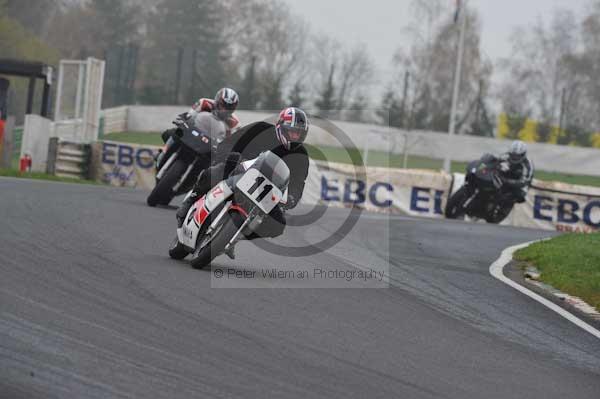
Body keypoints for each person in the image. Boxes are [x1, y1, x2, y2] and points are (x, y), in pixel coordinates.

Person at [176, 107, 310, 258]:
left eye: (299, 133)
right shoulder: (260, 129)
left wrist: (291, 198)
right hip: (238, 169)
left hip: (265, 191)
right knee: (213, 173)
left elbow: (298, 182)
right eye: (292, 131)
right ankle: (190, 201)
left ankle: (234, 237)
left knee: (277, 225)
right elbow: (229, 143)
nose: (295, 136)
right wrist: (229, 158)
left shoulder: (301, 155)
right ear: (280, 126)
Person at [156, 88, 240, 166]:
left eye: (228, 107)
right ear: (217, 101)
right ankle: (163, 153)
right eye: (222, 105)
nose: (224, 110)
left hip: (211, 146)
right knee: (171, 133)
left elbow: (232, 142)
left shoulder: (234, 122)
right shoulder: (204, 103)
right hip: (193, 133)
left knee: (217, 164)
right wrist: (183, 120)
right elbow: (189, 116)